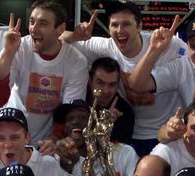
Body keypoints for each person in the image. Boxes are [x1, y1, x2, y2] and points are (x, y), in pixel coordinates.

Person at [61, 1, 188, 155]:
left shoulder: (168, 44)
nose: (120, 30)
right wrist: (75, 35)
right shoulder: (106, 46)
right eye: (114, 25)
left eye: (126, 24)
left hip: (168, 131)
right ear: (108, 28)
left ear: (139, 26)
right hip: (131, 131)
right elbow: (60, 39)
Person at [0, 0, 88, 147]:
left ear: (60, 29)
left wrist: (55, 137)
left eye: (42, 24)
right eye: (31, 22)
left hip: (46, 141)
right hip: (9, 135)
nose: (34, 29)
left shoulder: (76, 61)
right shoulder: (19, 48)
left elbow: (71, 111)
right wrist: (8, 53)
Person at [86, 56, 135, 144]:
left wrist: (107, 126)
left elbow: (117, 153)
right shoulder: (79, 99)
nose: (106, 91)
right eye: (100, 83)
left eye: (112, 84)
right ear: (90, 81)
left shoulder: (124, 112)